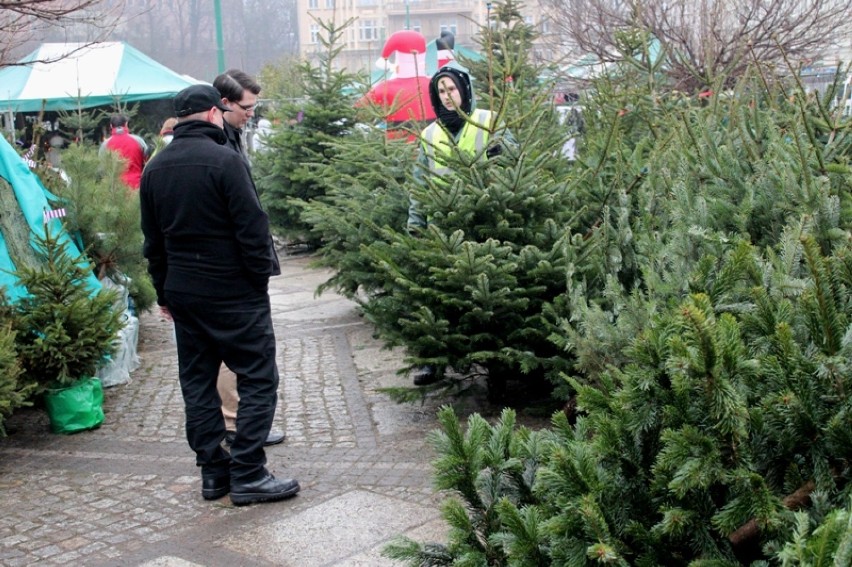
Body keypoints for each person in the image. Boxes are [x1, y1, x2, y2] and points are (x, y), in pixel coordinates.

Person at [140, 84, 299, 506]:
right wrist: (256, 281)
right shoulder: (226, 161)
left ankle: (214, 473)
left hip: (184, 293)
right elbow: (253, 229)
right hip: (233, 292)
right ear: (214, 114)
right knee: (258, 377)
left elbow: (152, 244)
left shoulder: (154, 168)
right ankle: (247, 470)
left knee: (197, 383)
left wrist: (164, 294)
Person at [407, 62, 513, 386]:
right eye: (441, 91)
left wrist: (501, 151)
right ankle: (433, 362)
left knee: (488, 294)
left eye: (451, 88)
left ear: (464, 90)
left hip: (485, 225)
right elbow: (420, 182)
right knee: (437, 294)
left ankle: (498, 364)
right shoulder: (429, 134)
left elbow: (514, 160)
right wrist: (416, 222)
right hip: (443, 227)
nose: (447, 95)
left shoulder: (487, 121)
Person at [213, 69, 285, 448]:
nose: (250, 115)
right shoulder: (220, 150)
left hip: (233, 273)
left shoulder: (232, 138)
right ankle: (237, 425)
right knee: (236, 355)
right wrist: (257, 271)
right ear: (223, 104)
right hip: (232, 275)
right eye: (246, 107)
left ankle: (240, 422)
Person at [100, 114, 148, 189]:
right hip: (137, 186)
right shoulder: (138, 141)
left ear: (111, 126)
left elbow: (102, 170)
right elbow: (148, 161)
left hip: (115, 190)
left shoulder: (105, 145)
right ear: (126, 124)